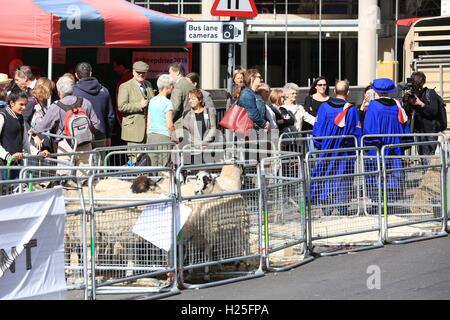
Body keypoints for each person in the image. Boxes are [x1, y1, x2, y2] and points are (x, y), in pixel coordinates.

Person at [31, 75, 100, 177]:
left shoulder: (56, 106)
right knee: (84, 179)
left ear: (59, 91)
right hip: (85, 143)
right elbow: (96, 125)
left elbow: (43, 125)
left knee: (64, 178)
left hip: (65, 145)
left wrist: (32, 131)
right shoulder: (85, 102)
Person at [310, 80, 362, 216]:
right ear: (348, 92)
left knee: (327, 176)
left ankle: (326, 207)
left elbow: (317, 131)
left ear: (334, 91)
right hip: (345, 153)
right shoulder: (352, 110)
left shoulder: (324, 108)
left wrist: (320, 147)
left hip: (326, 151)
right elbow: (356, 133)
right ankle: (342, 207)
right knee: (344, 178)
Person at [363, 78, 413, 205]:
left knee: (377, 171)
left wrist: (368, 142)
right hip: (394, 143)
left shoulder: (374, 105)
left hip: (378, 145)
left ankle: (378, 200)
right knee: (393, 171)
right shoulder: (397, 104)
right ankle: (390, 199)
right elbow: (404, 124)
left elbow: (369, 128)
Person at [0, 91, 49, 180]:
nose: (24, 107)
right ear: (12, 103)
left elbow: (25, 142)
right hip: (3, 164)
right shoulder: (2, 116)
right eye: (21, 104)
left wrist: (38, 153)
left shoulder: (21, 118)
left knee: (17, 191)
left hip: (16, 163)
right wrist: (7, 156)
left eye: (25, 104)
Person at [73, 62, 116, 149]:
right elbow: (110, 117)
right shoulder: (104, 91)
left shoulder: (73, 92)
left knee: (83, 162)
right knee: (100, 162)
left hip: (80, 137)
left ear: (76, 75)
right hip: (100, 135)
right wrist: (108, 136)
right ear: (91, 73)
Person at [403, 71, 442, 155]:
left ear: (422, 82)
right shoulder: (412, 95)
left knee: (428, 157)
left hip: (429, 130)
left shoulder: (430, 93)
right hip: (418, 130)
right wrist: (406, 102)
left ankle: (428, 168)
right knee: (422, 156)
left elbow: (434, 111)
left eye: (417, 81)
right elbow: (407, 112)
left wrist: (420, 104)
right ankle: (424, 167)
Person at [117, 61, 154, 147]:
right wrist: (139, 105)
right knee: (134, 159)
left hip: (149, 130)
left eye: (143, 72)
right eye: (138, 72)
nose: (141, 74)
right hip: (134, 131)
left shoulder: (148, 84)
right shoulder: (125, 86)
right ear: (133, 72)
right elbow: (121, 106)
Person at [146, 74, 175, 167]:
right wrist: (174, 137)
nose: (173, 88)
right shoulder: (168, 102)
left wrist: (148, 135)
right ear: (167, 87)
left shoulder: (152, 101)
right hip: (164, 137)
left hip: (151, 137)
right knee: (163, 168)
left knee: (152, 167)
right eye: (172, 86)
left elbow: (149, 122)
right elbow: (169, 124)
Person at [183, 89, 217, 164]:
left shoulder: (209, 111)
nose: (190, 101)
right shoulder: (187, 115)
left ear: (200, 100)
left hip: (208, 147)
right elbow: (186, 132)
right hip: (194, 149)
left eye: (193, 99)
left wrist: (205, 142)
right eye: (189, 99)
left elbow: (213, 128)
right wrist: (197, 144)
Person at [24, 77, 54, 153]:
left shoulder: (42, 103)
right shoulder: (31, 102)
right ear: (45, 89)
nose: (51, 93)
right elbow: (23, 121)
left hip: (44, 143)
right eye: (50, 90)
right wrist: (34, 136)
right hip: (34, 144)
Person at [169, 63, 195, 141]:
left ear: (177, 72)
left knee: (178, 150)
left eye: (170, 73)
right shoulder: (190, 84)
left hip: (180, 126)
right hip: (191, 123)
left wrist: (167, 120)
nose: (169, 75)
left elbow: (175, 107)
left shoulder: (178, 87)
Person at [113, 57, 133, 125]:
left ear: (121, 66)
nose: (114, 69)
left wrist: (120, 118)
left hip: (126, 118)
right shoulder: (132, 77)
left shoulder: (124, 80)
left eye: (115, 66)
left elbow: (120, 103)